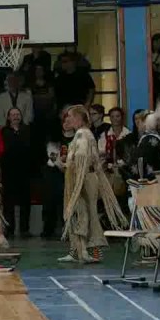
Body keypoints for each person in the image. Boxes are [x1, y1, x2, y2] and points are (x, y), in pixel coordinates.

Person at [59, 105, 125, 263]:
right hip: (86, 177)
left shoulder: (82, 133)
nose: (69, 120)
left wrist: (73, 170)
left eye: (71, 116)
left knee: (86, 213)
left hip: (84, 179)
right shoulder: (84, 134)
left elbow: (82, 156)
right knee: (80, 212)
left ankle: (90, 251)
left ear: (79, 118)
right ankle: (77, 250)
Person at [0, 107, 36, 238]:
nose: (15, 116)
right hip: (8, 171)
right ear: (8, 117)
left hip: (24, 171)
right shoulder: (4, 131)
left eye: (18, 114)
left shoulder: (27, 130)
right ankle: (9, 229)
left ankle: (24, 229)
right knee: (8, 202)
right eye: (13, 114)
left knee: (25, 202)